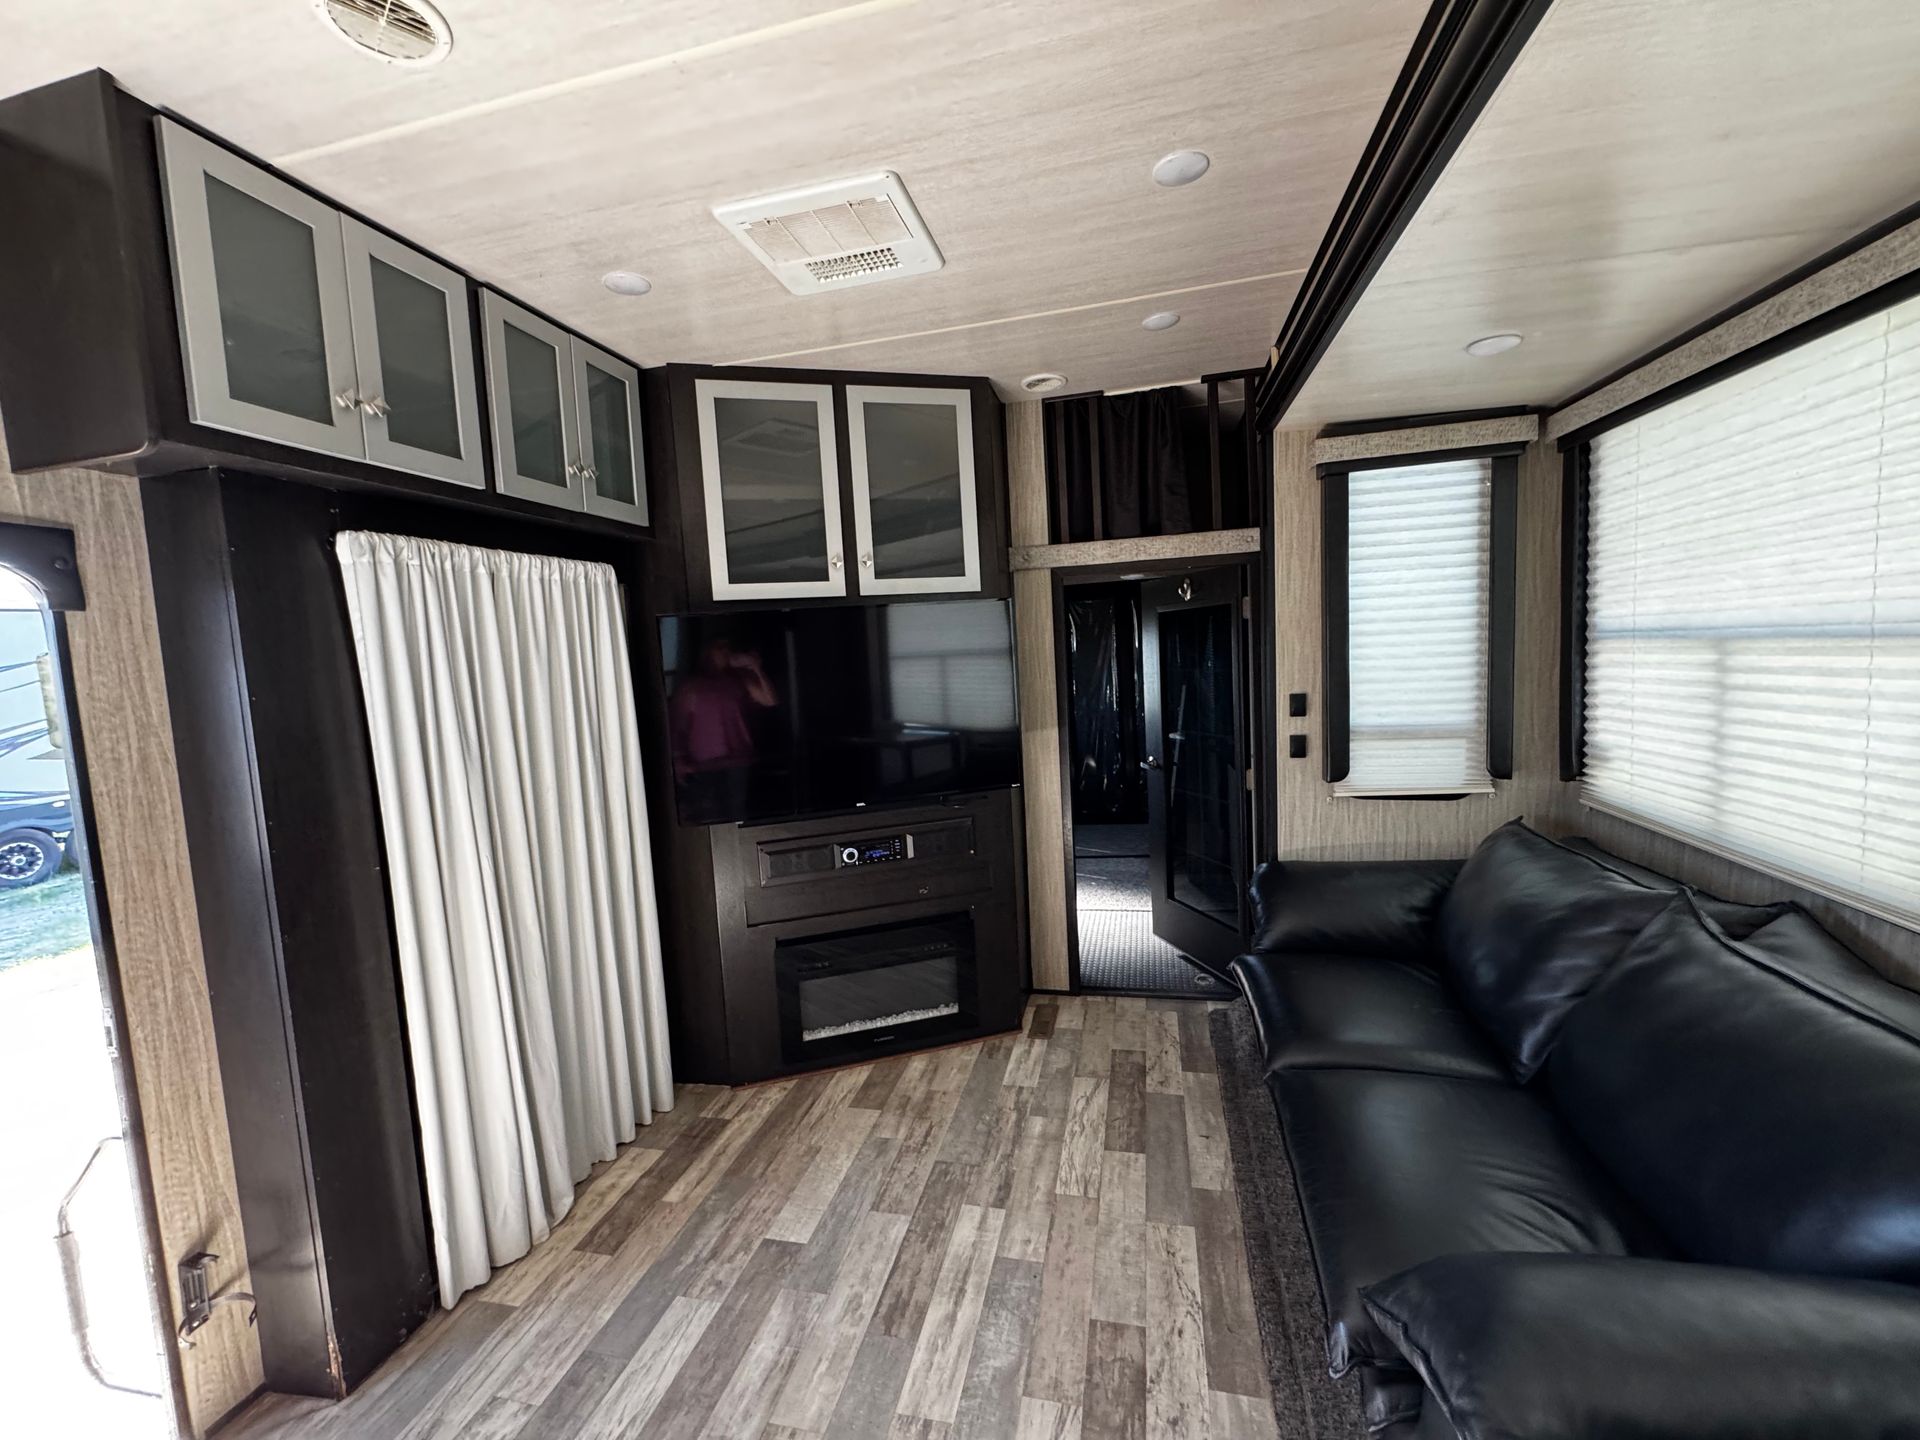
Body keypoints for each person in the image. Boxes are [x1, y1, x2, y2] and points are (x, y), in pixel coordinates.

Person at [669, 636, 777, 821]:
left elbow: (770, 700)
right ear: (708, 652)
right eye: (720, 648)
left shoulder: (739, 680)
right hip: (704, 767)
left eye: (728, 648)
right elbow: (677, 726)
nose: (726, 653)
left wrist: (756, 669)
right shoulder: (691, 687)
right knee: (710, 817)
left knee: (738, 816)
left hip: (738, 762)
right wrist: (678, 759)